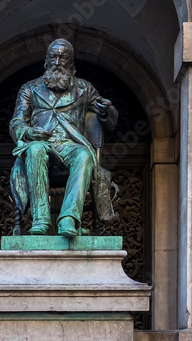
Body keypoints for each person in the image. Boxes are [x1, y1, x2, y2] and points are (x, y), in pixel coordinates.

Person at [9, 39, 118, 237]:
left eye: (63, 57)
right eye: (53, 57)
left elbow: (110, 120)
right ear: (46, 62)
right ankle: (40, 219)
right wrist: (29, 133)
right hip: (41, 143)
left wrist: (105, 112)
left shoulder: (84, 89)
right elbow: (16, 122)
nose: (58, 61)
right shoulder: (30, 89)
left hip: (70, 145)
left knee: (85, 155)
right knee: (35, 150)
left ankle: (69, 219)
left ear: (71, 63)